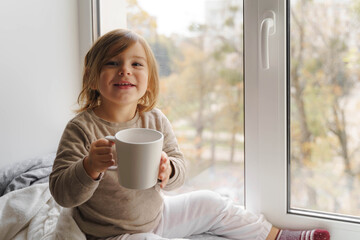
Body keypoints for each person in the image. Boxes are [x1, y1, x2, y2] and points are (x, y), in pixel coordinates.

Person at [49, 29, 330, 240]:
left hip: (158, 216)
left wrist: (167, 169)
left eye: (136, 64)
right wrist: (90, 167)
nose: (124, 69)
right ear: (92, 76)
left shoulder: (155, 120)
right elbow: (62, 194)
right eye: (112, 63)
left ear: (149, 81)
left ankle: (276, 235)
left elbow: (181, 171)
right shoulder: (82, 128)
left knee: (211, 202)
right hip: (109, 233)